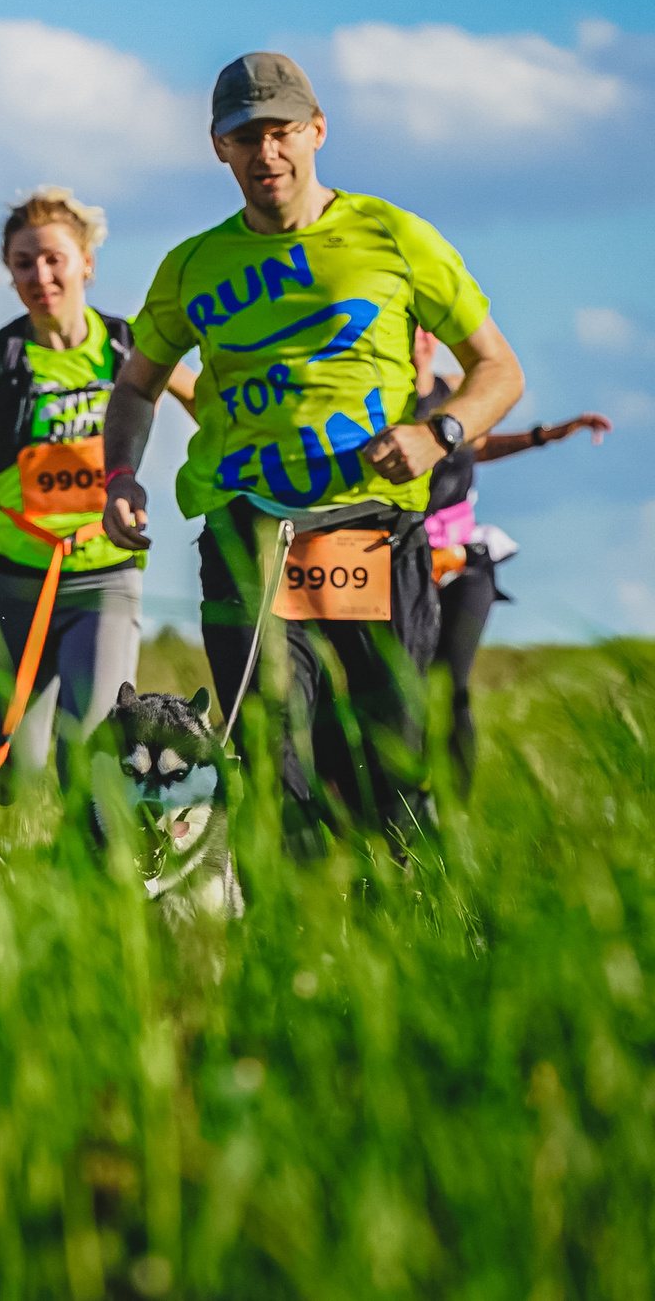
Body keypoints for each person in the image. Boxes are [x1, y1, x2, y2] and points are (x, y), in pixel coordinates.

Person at [101, 52, 526, 854]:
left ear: (317, 130)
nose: (266, 152)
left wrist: (438, 433)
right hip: (248, 532)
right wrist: (119, 475)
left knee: (388, 761)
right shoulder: (192, 265)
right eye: (245, 136)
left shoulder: (393, 236)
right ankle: (297, 917)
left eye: (282, 131)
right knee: (272, 759)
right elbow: (135, 387)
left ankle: (404, 908)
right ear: (220, 147)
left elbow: (498, 369)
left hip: (373, 532)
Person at [0, 188, 198, 795]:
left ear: (87, 262)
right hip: (14, 578)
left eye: (54, 259)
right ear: (9, 274)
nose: (40, 276)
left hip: (106, 574)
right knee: (15, 767)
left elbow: (214, 411)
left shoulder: (132, 348)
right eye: (24, 263)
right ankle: (8, 846)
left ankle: (87, 852)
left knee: (89, 748)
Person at [413, 326, 611, 794]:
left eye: (427, 326)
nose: (421, 336)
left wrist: (544, 436)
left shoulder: (456, 390)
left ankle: (453, 810)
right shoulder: (383, 399)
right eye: (411, 325)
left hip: (465, 558)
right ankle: (397, 800)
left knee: (452, 683)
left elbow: (478, 446)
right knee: (405, 682)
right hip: (404, 559)